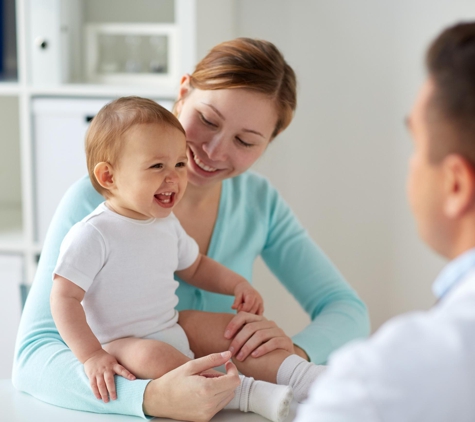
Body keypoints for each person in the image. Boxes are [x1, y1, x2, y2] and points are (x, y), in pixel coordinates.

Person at [13, 38, 369, 420]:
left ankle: (302, 380)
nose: (213, 150)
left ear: (267, 144)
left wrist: (296, 352)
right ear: (183, 93)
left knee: (234, 332)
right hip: (134, 400)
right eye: (208, 121)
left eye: (245, 141)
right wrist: (148, 398)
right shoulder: (95, 202)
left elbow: (348, 309)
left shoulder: (257, 202)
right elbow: (34, 355)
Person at [295, 21, 475, 422]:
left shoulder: (380, 384)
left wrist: (289, 361)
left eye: (416, 145)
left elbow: (345, 307)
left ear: (456, 185)